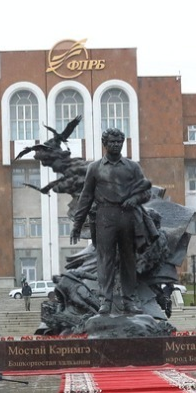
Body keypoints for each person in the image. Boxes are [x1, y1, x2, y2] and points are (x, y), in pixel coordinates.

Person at [70, 127, 152, 314]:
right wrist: (77, 224)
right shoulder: (95, 168)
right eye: (112, 142)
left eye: (119, 142)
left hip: (127, 216)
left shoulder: (132, 167)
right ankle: (105, 301)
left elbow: (145, 193)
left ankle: (129, 301)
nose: (116, 145)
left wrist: (134, 199)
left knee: (128, 260)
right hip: (105, 216)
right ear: (104, 144)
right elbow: (86, 197)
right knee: (105, 260)